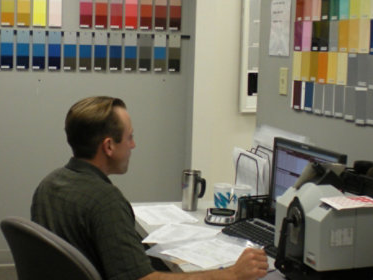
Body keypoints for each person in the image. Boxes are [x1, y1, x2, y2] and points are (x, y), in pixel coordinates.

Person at [31, 96, 269, 280]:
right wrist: (232, 274)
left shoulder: (48, 185)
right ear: (109, 146)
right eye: (129, 137)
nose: (134, 145)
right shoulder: (105, 201)